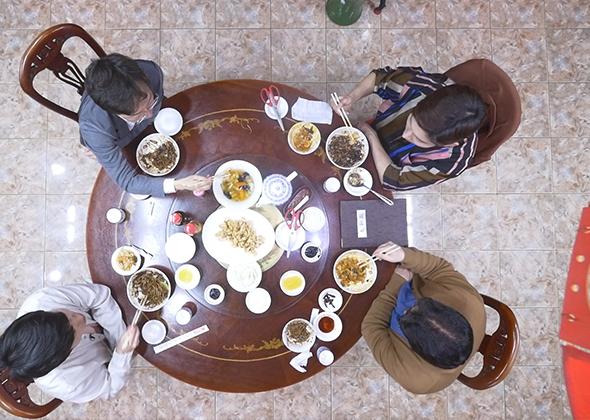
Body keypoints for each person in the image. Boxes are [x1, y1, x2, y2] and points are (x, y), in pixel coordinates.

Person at [332, 66, 487, 191]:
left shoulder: (453, 162)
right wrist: (351, 97)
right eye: (411, 121)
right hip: (380, 127)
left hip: (384, 166)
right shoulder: (423, 87)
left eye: (419, 139)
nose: (406, 135)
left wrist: (371, 136)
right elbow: (380, 78)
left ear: (449, 144)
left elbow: (395, 180)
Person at [80, 53, 211, 197]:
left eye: (149, 101)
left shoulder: (151, 72)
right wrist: (179, 184)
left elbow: (154, 107)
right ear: (115, 112)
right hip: (117, 141)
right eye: (137, 114)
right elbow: (128, 181)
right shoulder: (96, 130)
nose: (149, 114)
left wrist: (149, 109)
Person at [361, 242, 486, 394]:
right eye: (422, 305)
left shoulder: (414, 379)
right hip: (406, 277)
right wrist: (404, 255)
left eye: (407, 313)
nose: (405, 308)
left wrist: (396, 284)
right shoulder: (469, 302)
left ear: (417, 348)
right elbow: (438, 268)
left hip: (385, 301)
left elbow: (371, 326)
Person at [0, 284, 139, 403]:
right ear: (65, 355)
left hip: (113, 321)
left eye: (68, 315)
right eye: (74, 333)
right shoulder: (67, 384)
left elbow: (100, 295)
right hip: (113, 358)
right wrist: (121, 353)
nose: (80, 317)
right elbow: (110, 387)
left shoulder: (42, 300)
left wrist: (118, 336)